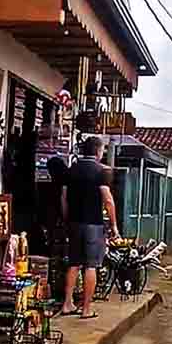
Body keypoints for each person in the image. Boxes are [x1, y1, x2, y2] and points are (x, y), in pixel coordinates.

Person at [61, 136, 120, 320]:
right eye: (102, 150)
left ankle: (67, 304)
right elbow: (108, 200)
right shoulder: (100, 171)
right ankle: (86, 309)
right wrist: (114, 225)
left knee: (73, 263)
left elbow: (63, 198)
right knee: (91, 265)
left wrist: (67, 218)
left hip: (74, 223)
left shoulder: (71, 170)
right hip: (93, 224)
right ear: (97, 151)